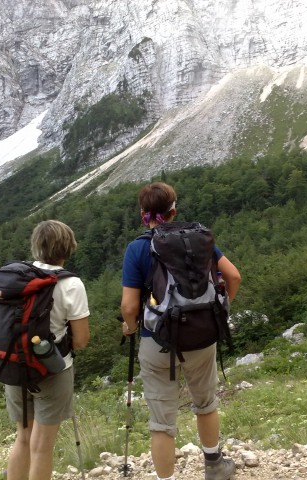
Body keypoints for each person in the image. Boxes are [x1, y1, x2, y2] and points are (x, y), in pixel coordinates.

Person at [121, 182, 241, 480]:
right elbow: (233, 276)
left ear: (143, 215)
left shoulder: (137, 248)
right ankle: (214, 465)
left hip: (158, 342)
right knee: (206, 403)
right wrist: (219, 311)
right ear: (173, 211)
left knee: (162, 422)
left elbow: (129, 307)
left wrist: (130, 326)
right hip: (202, 336)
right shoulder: (199, 239)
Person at [6, 220, 91, 480]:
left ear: (36, 246)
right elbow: (81, 340)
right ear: (69, 247)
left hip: (15, 366)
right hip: (53, 368)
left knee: (23, 438)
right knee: (42, 446)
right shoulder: (71, 284)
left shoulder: (17, 277)